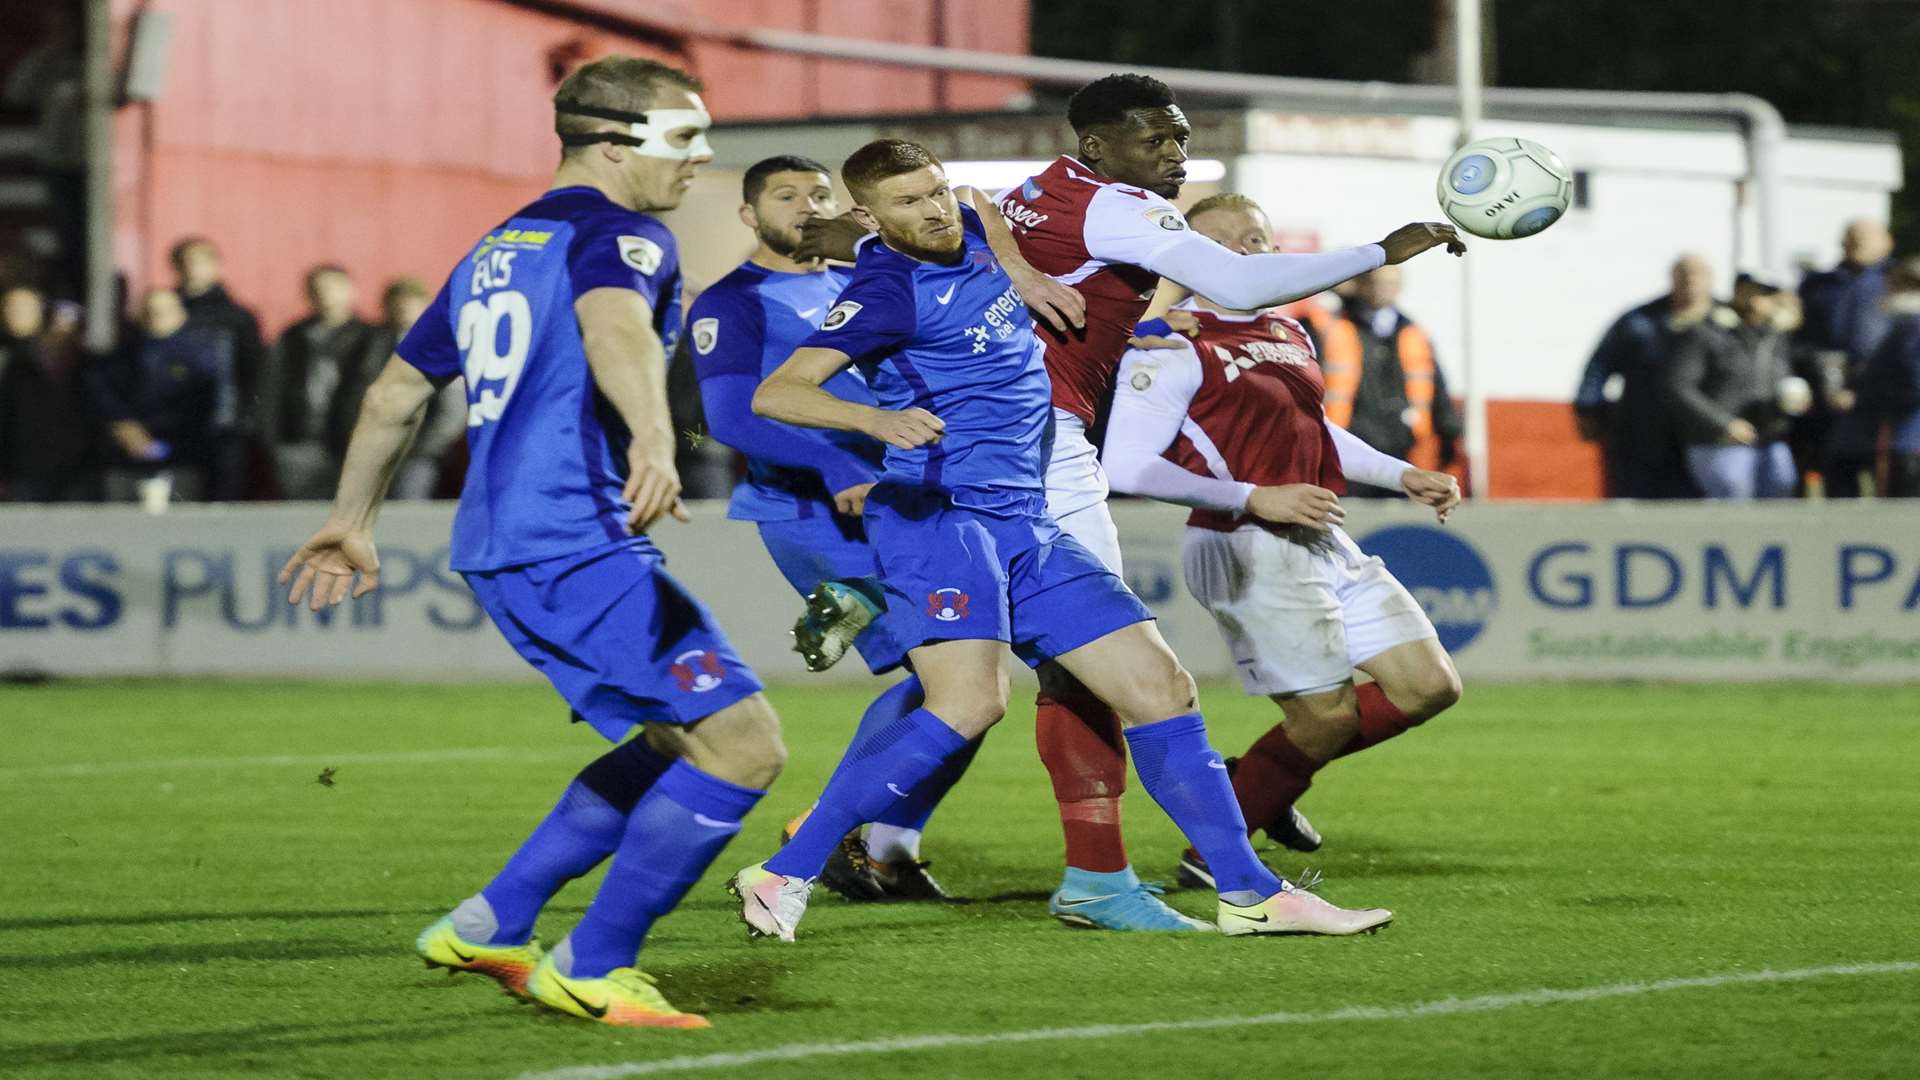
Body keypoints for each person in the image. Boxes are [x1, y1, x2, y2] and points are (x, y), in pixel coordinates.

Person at [795, 73, 1461, 930]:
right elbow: (1243, 283)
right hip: (1044, 448)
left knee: (1047, 673)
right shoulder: (1113, 206)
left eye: (1180, 137)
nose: (1176, 154)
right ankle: (1119, 879)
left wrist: (864, 235)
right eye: (1158, 139)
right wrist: (1384, 248)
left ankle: (1123, 869)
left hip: (1000, 444)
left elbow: (960, 217)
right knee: (1099, 669)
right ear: (1098, 146)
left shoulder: (1034, 193)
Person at [278, 56, 779, 1029]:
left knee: (678, 737)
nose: (705, 156)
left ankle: (492, 921)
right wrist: (652, 432)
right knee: (743, 745)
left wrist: (353, 518)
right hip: (574, 537)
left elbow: (395, 394)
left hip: (511, 540)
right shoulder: (622, 235)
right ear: (608, 142)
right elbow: (615, 329)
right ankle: (593, 964)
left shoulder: (495, 248)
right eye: (684, 137)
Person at [1103, 194, 1464, 877]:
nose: (1249, 250)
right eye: (1228, 241)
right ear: (1188, 255)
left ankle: (1259, 783)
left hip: (1319, 536)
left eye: (1258, 238)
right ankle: (1218, 851)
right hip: (1240, 542)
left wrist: (1401, 473)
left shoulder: (1288, 332)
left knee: (1428, 685)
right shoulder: (1169, 341)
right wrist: (1254, 496)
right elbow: (1124, 464)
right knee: (1323, 720)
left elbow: (1313, 428)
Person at [689, 154, 973, 901]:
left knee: (968, 676)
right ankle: (831, 830)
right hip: (812, 512)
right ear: (750, 215)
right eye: (787, 196)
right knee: (943, 672)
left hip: (902, 498)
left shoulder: (862, 283)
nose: (808, 208)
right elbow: (727, 414)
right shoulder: (733, 301)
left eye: (820, 194)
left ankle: (886, 845)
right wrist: (833, 465)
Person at [1575, 255, 1717, 499]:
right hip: (1640, 429)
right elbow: (1600, 365)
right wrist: (1587, 407)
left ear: (1711, 279)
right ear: (1672, 277)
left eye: (1698, 273)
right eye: (1684, 273)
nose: (1691, 280)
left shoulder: (1725, 322)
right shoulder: (1639, 320)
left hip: (1702, 432)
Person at [1319, 265, 1463, 494]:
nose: (1383, 289)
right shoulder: (1333, 327)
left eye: (1391, 283)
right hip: (1349, 446)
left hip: (1402, 446)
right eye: (1377, 282)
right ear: (1361, 285)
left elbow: (1437, 388)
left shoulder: (1413, 333)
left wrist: (1451, 436)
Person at [92, 288, 237, 504]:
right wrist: (122, 423)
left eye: (164, 311)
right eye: (150, 311)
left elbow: (212, 407)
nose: (156, 317)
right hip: (126, 460)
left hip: (182, 460)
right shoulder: (124, 354)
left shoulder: (203, 354)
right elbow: (103, 392)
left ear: (181, 314)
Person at [1666, 274, 1801, 500]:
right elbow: (1678, 385)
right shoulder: (1708, 331)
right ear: (1738, 291)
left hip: (1769, 438)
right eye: (1753, 291)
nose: (1759, 300)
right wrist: (1724, 423)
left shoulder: (1775, 336)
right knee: (1733, 499)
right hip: (1719, 442)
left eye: (1767, 293)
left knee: (1781, 491)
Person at [262, 264, 377, 498]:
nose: (324, 294)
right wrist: (274, 441)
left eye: (332, 287)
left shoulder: (372, 337)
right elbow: (271, 390)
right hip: (300, 444)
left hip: (355, 443)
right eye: (316, 288)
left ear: (350, 290)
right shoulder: (293, 336)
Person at [1799, 220, 1895, 496]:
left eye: (1865, 236)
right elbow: (1801, 341)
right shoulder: (1819, 285)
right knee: (1838, 474)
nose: (1857, 243)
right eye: (1851, 237)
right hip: (1831, 401)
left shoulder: (1899, 280)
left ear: (1887, 242)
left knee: (1890, 484)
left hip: (1884, 403)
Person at [355, 277, 464, 500]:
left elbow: (452, 410)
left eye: (410, 303)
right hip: (372, 449)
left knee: (408, 512)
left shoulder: (444, 344)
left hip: (417, 453)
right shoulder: (371, 343)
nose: (402, 310)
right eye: (397, 304)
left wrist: (423, 449)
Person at [0, 283, 101, 502]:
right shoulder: (20, 366)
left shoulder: (90, 368)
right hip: (28, 466)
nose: (62, 332)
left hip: (80, 466)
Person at [1860, 257, 1920, 497]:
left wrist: (1869, 394)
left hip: (1909, 437)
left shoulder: (1911, 325)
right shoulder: (1903, 324)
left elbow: (1915, 383)